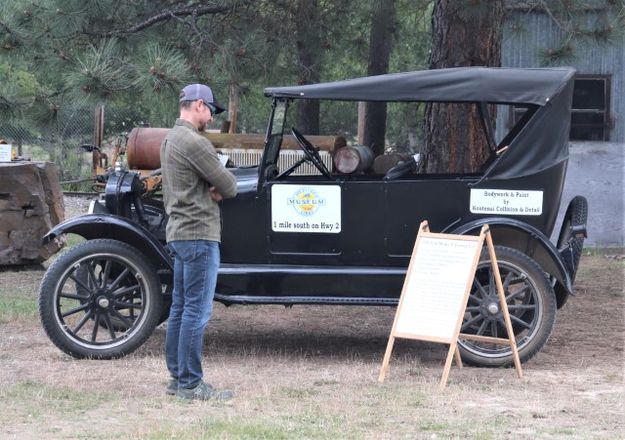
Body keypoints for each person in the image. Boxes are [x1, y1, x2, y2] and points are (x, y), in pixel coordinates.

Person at [160, 83, 238, 401]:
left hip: (179, 232)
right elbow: (229, 185)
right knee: (196, 311)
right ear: (198, 106)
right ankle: (191, 384)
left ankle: (178, 378)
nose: (211, 118)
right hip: (199, 234)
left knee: (180, 308)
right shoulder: (195, 142)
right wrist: (216, 189)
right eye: (210, 111)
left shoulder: (169, 139)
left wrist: (211, 187)